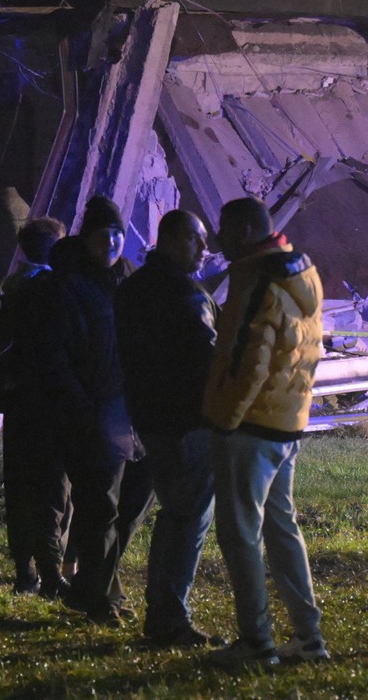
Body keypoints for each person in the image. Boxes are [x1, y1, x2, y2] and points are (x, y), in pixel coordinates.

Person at [202, 196, 328, 667]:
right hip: (288, 421)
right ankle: (308, 638)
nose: (217, 238)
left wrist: (224, 419)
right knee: (281, 528)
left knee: (240, 534)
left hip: (251, 426)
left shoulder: (256, 278)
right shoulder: (302, 274)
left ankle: (256, 642)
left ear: (244, 230)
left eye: (223, 227)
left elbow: (246, 359)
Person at [31, 196, 143, 624]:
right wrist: (81, 406)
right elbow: (53, 354)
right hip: (88, 417)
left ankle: (96, 588)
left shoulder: (128, 278)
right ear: (87, 237)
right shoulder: (67, 285)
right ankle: (99, 600)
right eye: (103, 234)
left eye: (117, 233)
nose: (112, 242)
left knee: (126, 508)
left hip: (129, 416)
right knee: (99, 509)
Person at [115, 208, 221, 647]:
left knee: (173, 513)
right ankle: (169, 617)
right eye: (197, 240)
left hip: (150, 419)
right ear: (173, 240)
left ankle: (163, 612)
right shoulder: (187, 295)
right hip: (188, 422)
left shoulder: (132, 289)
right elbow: (208, 360)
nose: (205, 249)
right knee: (189, 516)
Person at [0, 216, 70, 596]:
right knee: (54, 491)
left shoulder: (13, 291)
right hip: (52, 404)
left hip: (18, 404)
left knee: (20, 489)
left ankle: (25, 573)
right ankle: (53, 575)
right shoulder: (57, 291)